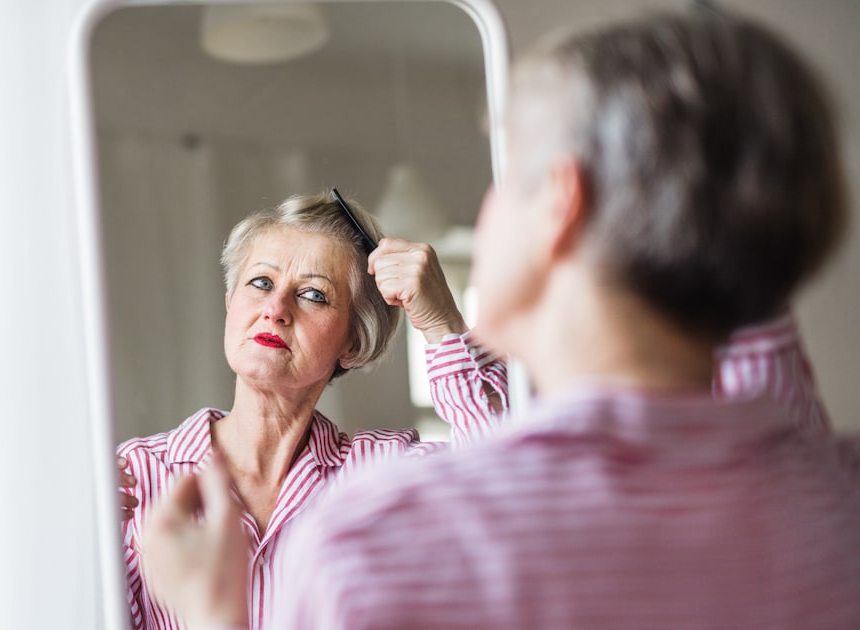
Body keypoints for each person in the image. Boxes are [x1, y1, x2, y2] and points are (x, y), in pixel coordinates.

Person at [138, 7, 860, 629]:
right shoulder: (838, 498)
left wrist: (212, 617)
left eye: (505, 179)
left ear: (558, 202)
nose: (277, 306)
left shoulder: (378, 527)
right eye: (260, 282)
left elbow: (502, 454)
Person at [116, 192, 507, 630]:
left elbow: (515, 493)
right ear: (230, 304)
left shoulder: (387, 477)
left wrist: (442, 324)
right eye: (262, 283)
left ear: (353, 344)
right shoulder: (134, 479)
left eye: (313, 295)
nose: (276, 309)